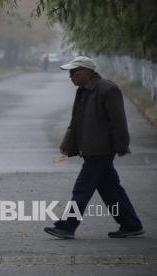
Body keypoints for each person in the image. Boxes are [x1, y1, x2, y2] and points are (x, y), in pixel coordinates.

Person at [44, 56, 144, 239]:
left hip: (101, 150)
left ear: (86, 71)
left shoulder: (108, 89)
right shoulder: (83, 90)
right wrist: (67, 144)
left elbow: (118, 121)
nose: (70, 77)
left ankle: (67, 226)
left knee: (82, 189)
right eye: (70, 73)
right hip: (90, 149)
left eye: (73, 72)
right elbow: (76, 121)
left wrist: (122, 146)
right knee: (110, 189)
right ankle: (131, 224)